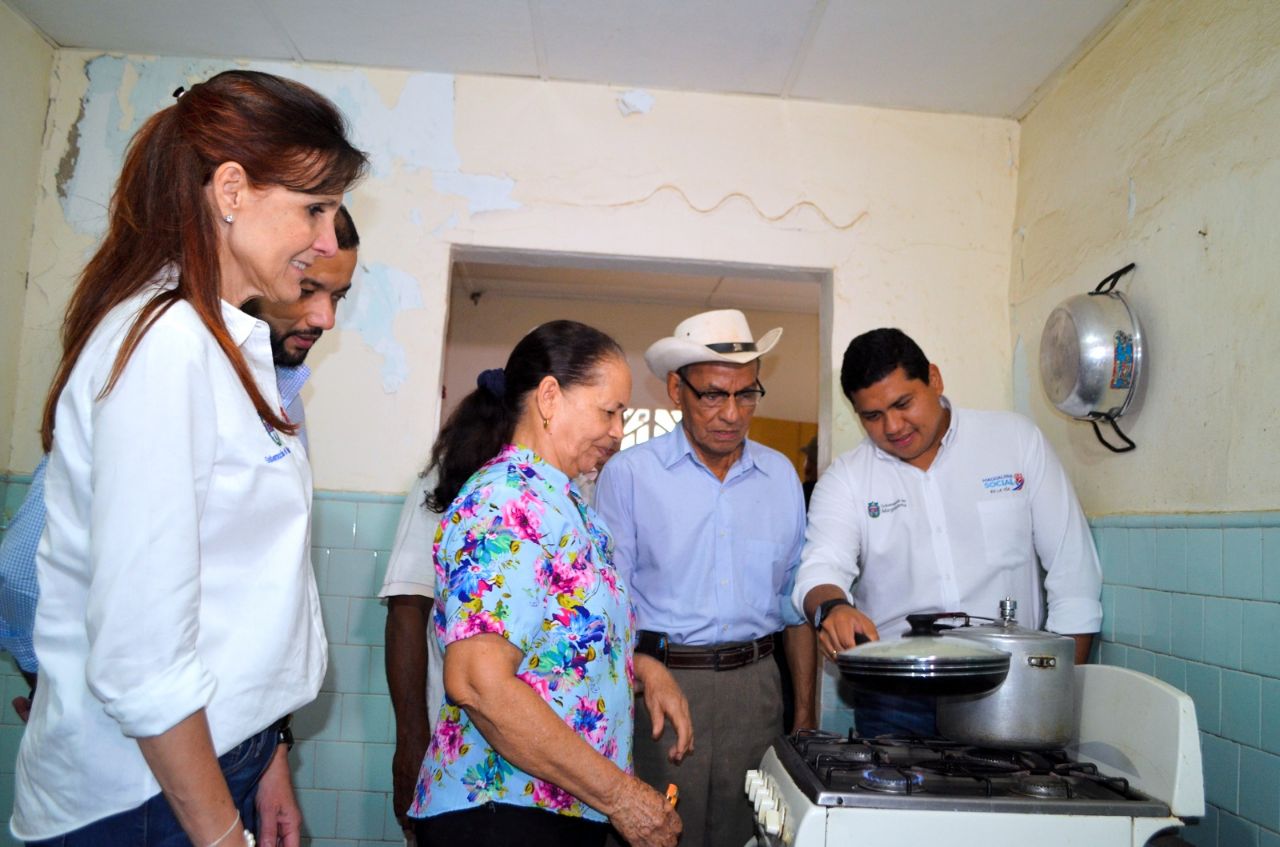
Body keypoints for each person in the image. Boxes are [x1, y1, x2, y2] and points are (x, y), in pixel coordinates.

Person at [10, 70, 367, 847]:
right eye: (315, 207)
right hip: (143, 795)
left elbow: (237, 597)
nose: (327, 240)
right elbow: (141, 659)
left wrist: (267, 756)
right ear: (230, 190)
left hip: (214, 756)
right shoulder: (166, 345)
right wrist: (220, 834)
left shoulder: (221, 344)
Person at [0, 205, 361, 720]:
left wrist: (273, 736)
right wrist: (57, 686)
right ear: (260, 271)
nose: (325, 318)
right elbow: (21, 574)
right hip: (154, 733)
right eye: (307, 290)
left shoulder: (283, 394)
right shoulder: (170, 358)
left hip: (237, 728)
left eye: (338, 296)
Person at [409, 321, 691, 847]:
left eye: (622, 415)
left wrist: (641, 668)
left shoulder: (562, 502)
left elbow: (557, 655)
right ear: (549, 397)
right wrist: (620, 796)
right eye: (608, 412)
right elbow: (478, 683)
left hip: (552, 809)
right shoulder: (506, 501)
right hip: (501, 812)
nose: (618, 432)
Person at [793, 327, 1102, 738]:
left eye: (903, 403)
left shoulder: (1014, 442)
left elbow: (1073, 573)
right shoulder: (846, 479)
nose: (893, 426)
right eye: (872, 416)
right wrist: (832, 607)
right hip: (895, 701)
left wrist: (1058, 689)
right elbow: (819, 569)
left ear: (934, 380)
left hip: (1009, 688)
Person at [594, 308, 816, 847]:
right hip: (660, 689)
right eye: (714, 395)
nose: (732, 414)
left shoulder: (780, 477)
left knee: (756, 834)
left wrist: (806, 715)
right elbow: (606, 606)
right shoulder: (630, 475)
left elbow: (793, 606)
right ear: (677, 390)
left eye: (747, 394)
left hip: (756, 690)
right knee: (659, 831)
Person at [380, 470, 446, 842]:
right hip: (450, 755)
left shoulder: (592, 479)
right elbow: (407, 606)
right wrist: (410, 743)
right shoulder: (449, 475)